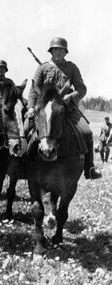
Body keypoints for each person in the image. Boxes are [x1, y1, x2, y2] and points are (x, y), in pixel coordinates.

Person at [27, 37, 102, 179]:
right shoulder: (43, 67)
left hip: (67, 108)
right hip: (46, 109)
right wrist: (31, 107)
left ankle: (89, 168)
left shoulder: (72, 68)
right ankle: (22, 164)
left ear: (65, 52)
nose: (58, 52)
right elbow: (33, 89)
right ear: (51, 51)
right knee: (25, 129)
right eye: (55, 49)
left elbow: (81, 88)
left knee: (87, 132)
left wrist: (71, 96)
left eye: (61, 50)